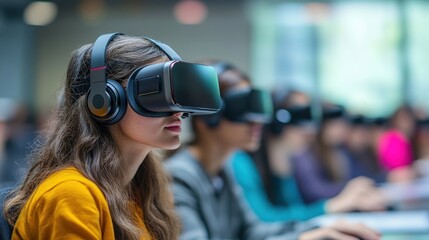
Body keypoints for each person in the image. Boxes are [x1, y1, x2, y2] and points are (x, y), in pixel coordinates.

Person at [2, 33, 222, 240]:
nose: (178, 113)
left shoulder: (145, 191)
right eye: (156, 93)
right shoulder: (72, 194)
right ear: (105, 101)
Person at [165, 61, 381, 240]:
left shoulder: (222, 171)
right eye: (243, 109)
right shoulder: (180, 176)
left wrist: (311, 233)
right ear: (207, 116)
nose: (257, 122)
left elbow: (253, 231)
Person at [230, 93, 387, 223]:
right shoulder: (240, 161)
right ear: (278, 121)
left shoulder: (287, 157)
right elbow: (262, 219)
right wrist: (330, 206)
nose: (310, 131)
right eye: (301, 118)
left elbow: (293, 208)